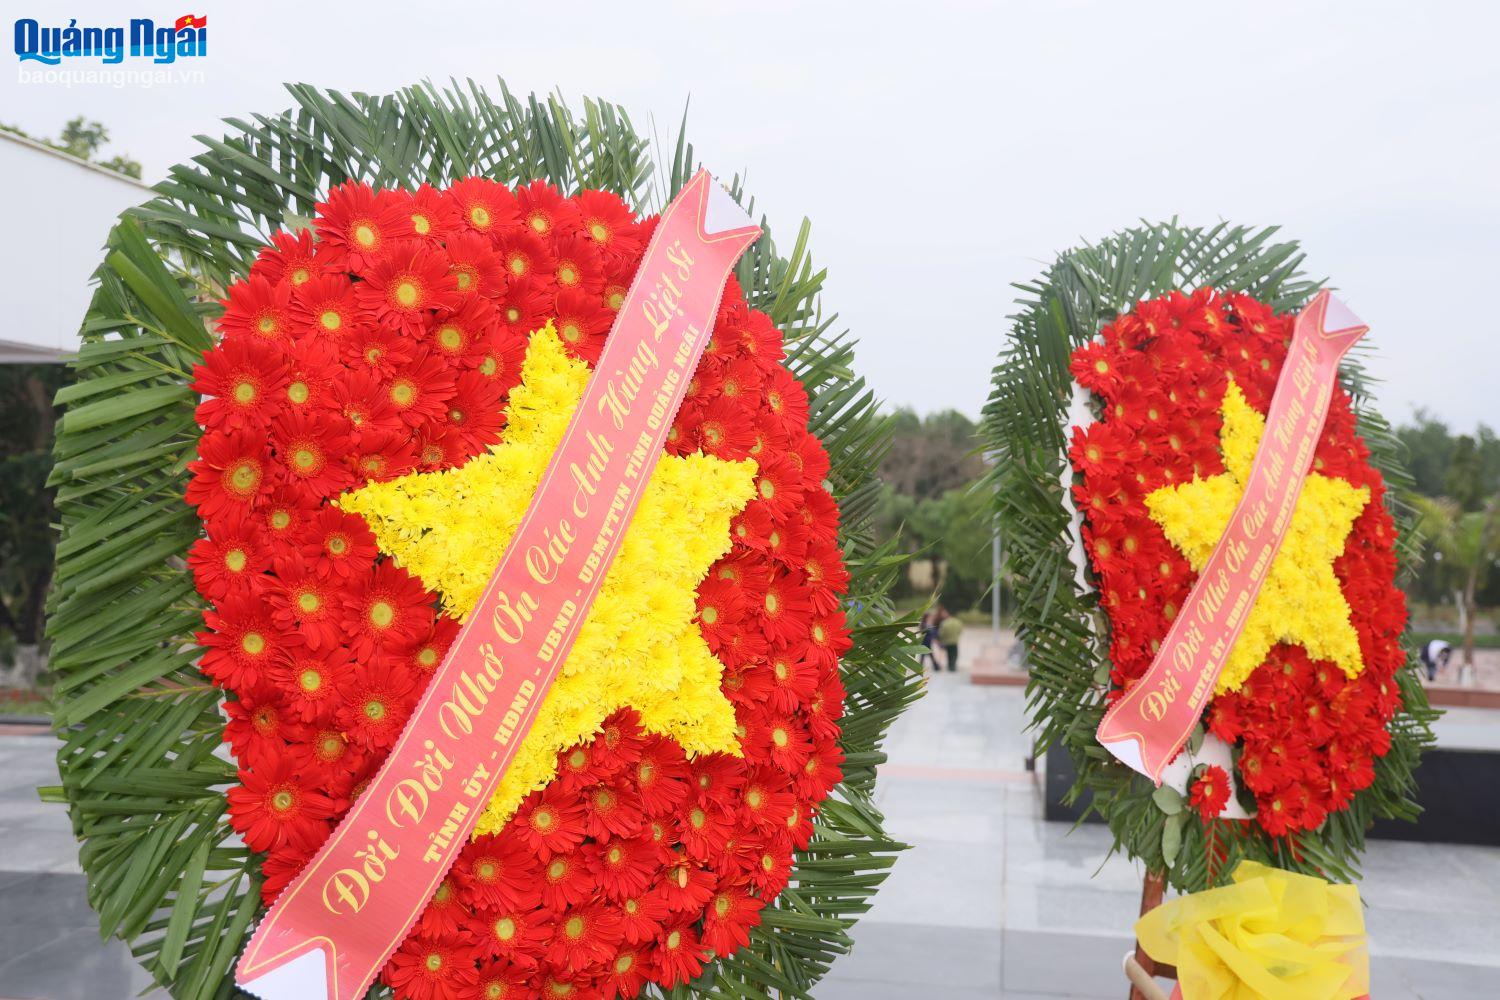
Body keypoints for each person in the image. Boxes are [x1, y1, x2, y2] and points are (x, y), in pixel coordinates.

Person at [937, 606, 963, 673]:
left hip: (947, 641)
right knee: (954, 654)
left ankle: (950, 667)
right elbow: (960, 630)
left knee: (949, 655)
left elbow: (941, 633)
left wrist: (941, 639)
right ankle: (953, 666)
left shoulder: (944, 623)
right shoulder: (957, 621)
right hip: (955, 641)